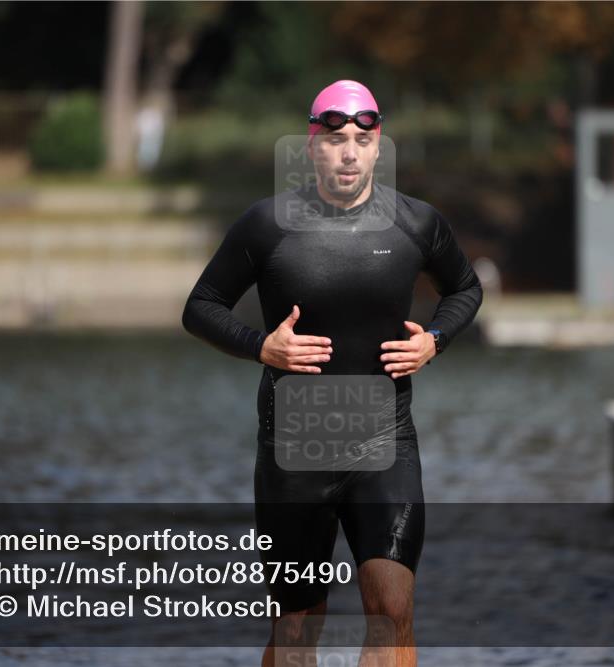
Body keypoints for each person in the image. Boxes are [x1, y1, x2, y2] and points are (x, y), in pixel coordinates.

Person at [182, 80, 483, 666]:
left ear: (378, 147)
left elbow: (466, 288)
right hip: (295, 449)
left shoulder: (417, 224)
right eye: (335, 139)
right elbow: (200, 307)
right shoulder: (266, 225)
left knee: (393, 614)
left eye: (362, 140)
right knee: (296, 631)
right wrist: (260, 346)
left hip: (386, 441)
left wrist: (436, 341)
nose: (349, 152)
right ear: (311, 147)